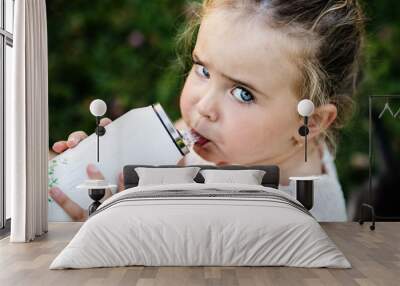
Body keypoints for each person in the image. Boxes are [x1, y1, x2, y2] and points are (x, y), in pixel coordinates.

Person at [49, 0, 365, 222]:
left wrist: (114, 236)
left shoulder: (292, 219)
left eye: (243, 94)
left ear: (309, 123)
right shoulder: (226, 142)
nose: (203, 107)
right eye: (203, 69)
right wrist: (88, 161)